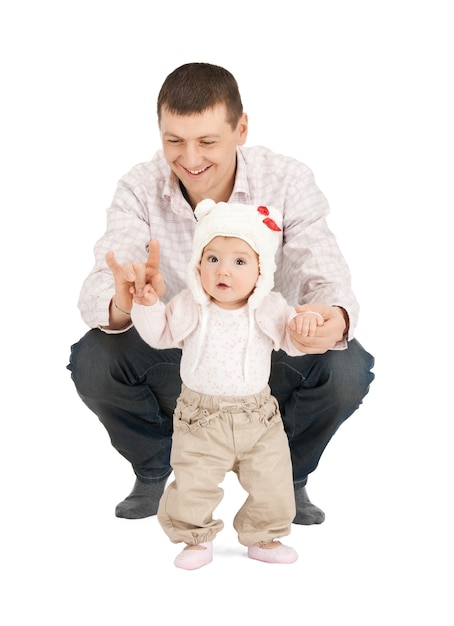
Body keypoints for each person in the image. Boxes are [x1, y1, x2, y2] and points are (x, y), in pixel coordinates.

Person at [67, 62, 374, 526]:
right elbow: (100, 285)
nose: (189, 158)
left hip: (269, 359)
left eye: (207, 141)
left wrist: (332, 315)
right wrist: (126, 297)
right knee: (94, 357)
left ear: (241, 128)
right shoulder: (139, 186)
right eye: (174, 140)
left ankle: (285, 477)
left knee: (347, 366)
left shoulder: (287, 180)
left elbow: (325, 270)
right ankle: (156, 469)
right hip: (185, 361)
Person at [127, 198, 323, 569]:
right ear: (198, 264)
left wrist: (305, 326)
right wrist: (147, 304)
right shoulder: (191, 306)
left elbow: (293, 344)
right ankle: (195, 538)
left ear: (261, 271)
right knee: (193, 483)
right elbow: (160, 335)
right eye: (213, 258)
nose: (224, 271)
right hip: (201, 417)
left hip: (259, 417)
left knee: (273, 481)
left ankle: (264, 535)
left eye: (239, 261)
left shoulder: (270, 307)